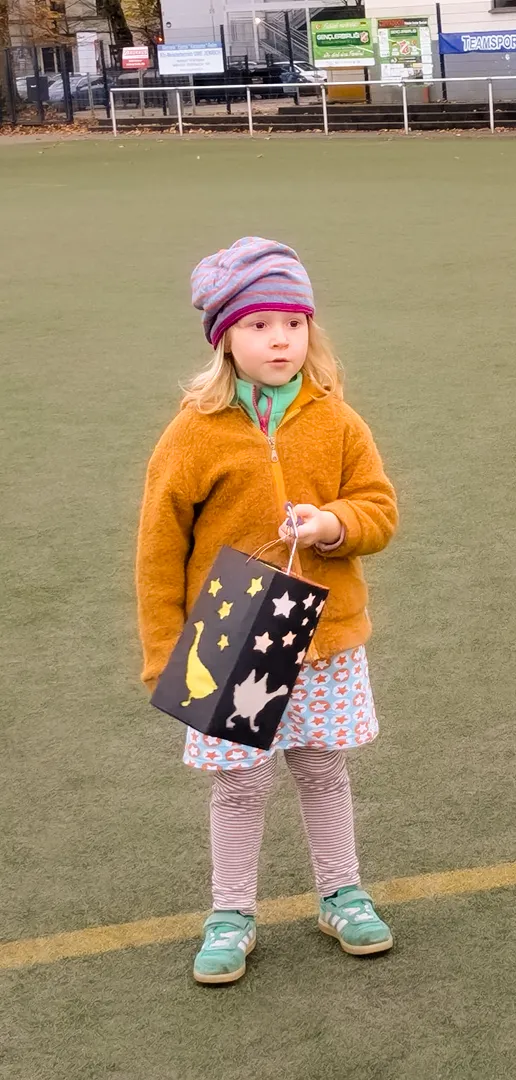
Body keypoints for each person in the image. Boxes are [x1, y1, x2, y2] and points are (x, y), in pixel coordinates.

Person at [137, 237, 399, 982]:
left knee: (322, 768)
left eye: (292, 323)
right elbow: (158, 550)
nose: (279, 339)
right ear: (225, 339)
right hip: (227, 637)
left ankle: (341, 894)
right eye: (258, 325)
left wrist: (334, 524)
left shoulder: (338, 421)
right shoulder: (193, 433)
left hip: (324, 638)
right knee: (240, 783)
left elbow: (379, 509)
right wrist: (164, 652)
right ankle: (231, 913)